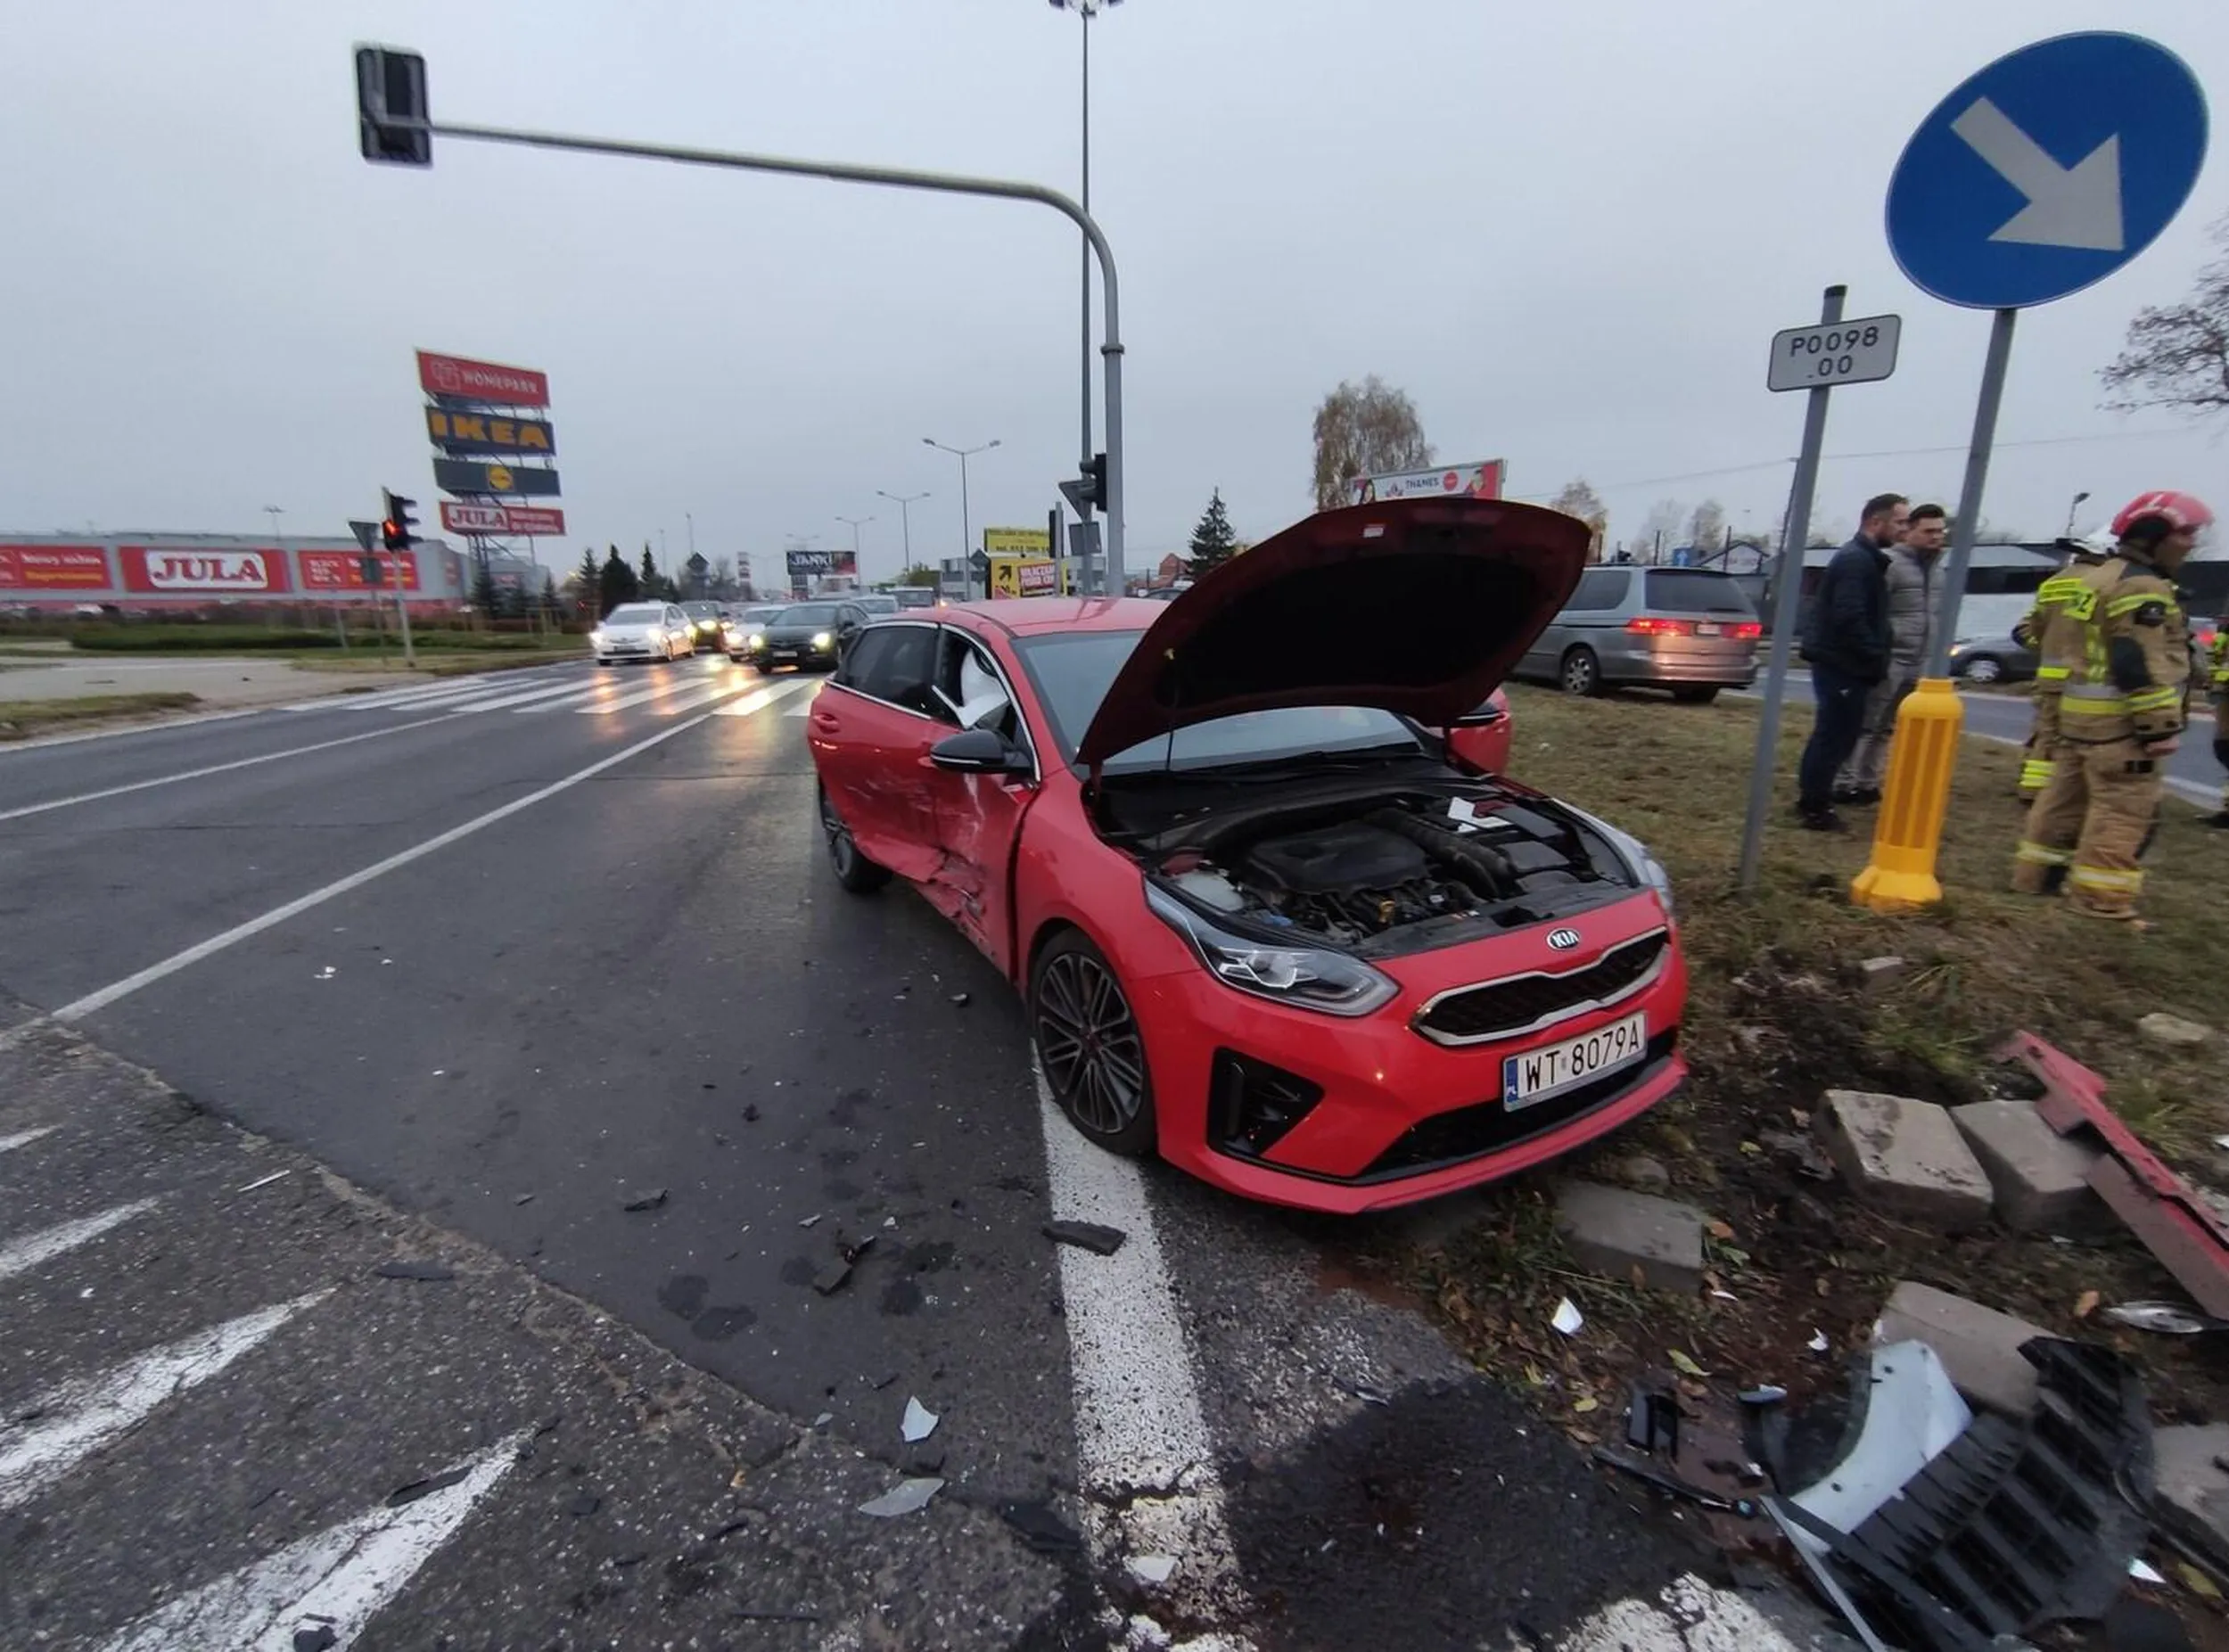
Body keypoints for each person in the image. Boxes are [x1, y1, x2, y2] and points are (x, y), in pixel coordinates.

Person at [2011, 490, 2212, 924]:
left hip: (2079, 716)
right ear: (2154, 535)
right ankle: (2101, 902)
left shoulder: (2094, 580)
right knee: (2120, 812)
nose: (2191, 544)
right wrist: (2159, 725)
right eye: (2186, 534)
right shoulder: (2142, 587)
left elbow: (2056, 640)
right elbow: (2134, 658)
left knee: (2061, 801)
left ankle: (2035, 878)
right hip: (2122, 728)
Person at [1796, 492, 1907, 831]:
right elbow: (1849, 616)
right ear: (1876, 522)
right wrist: (1873, 652)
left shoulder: (1866, 559)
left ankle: (1813, 799)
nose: (1905, 529)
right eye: (1900, 521)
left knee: (1835, 734)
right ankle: (1815, 805)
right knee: (1835, 736)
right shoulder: (1856, 561)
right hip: (1842, 665)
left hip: (1846, 664)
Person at [1836, 503, 1946, 805]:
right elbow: (1872, 611)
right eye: (1928, 531)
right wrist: (1875, 649)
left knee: (1887, 726)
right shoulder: (1891, 564)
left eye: (1940, 531)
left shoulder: (1937, 570)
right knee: (1866, 722)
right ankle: (1844, 782)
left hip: (1917, 659)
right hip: (1890, 657)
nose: (1936, 537)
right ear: (1909, 531)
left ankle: (1868, 782)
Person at [2013, 531, 2113, 806]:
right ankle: (2064, 796)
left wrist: (2047, 648)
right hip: (2087, 677)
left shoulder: (2052, 583)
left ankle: (2032, 791)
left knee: (2046, 735)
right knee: (2080, 740)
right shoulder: (2106, 584)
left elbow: (2031, 630)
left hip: (2049, 677)